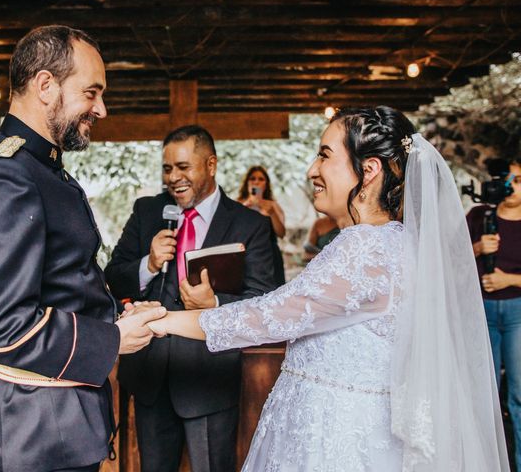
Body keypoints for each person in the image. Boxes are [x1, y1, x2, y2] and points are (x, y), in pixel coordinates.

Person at [145, 106, 509, 471]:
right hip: (365, 429)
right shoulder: (399, 242)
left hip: (333, 438)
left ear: (368, 171)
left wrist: (162, 320)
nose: (312, 170)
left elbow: (269, 316)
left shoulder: (363, 248)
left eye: (324, 155)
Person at [0, 25, 165, 472]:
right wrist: (113, 338)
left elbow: (62, 283)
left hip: (59, 419)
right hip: (37, 426)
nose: (101, 108)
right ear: (46, 85)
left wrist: (115, 313)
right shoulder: (5, 178)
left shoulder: (42, 169)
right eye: (92, 92)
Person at [104, 125, 276, 472]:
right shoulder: (147, 211)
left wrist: (213, 305)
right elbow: (113, 276)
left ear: (210, 165)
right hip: (150, 375)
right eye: (167, 168)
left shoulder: (251, 225)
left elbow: (264, 301)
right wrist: (148, 264)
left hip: (208, 377)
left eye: (184, 167)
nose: (173, 177)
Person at [467, 157, 521, 468]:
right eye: (506, 180)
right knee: (482, 394)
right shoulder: (478, 216)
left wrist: (508, 280)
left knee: (518, 397)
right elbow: (446, 254)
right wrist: (475, 249)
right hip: (480, 310)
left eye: (517, 180)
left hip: (517, 311)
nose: (510, 186)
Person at [237, 165, 286, 285]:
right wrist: (244, 208)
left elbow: (281, 233)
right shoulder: (238, 204)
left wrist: (272, 213)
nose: (256, 182)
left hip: (270, 254)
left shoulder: (272, 205)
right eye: (252, 179)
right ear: (247, 182)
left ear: (266, 184)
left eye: (261, 179)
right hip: (245, 254)